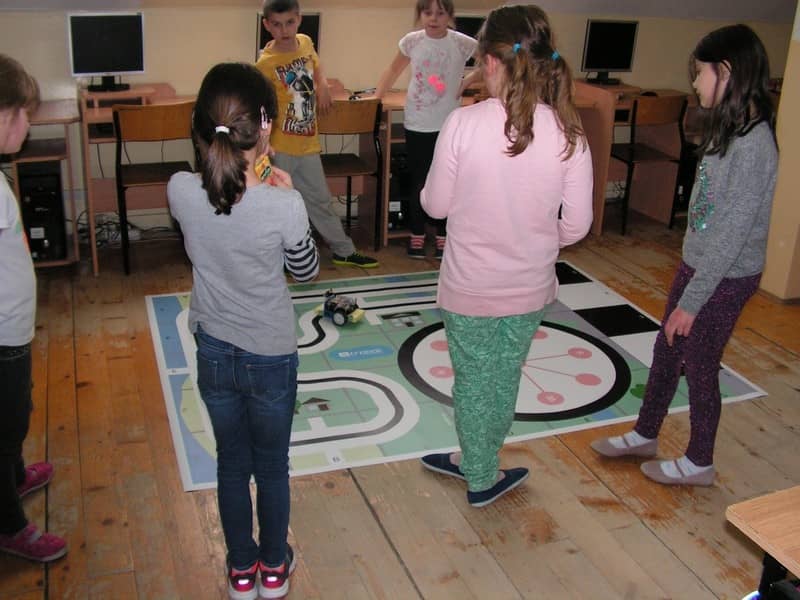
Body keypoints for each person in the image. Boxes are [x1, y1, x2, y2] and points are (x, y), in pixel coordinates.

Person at [418, 5, 593, 507]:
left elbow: (435, 206)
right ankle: (479, 457)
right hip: (528, 288)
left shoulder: (462, 122)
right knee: (502, 376)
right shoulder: (569, 131)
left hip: (469, 287)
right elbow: (577, 225)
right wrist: (537, 237)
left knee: (474, 379)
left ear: (491, 62)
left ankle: (479, 474)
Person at [591, 24, 779, 487]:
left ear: (727, 71)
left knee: (699, 363)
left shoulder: (754, 145)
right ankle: (645, 433)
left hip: (726, 276)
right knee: (667, 350)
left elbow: (732, 235)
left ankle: (699, 462)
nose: (695, 83)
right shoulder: (729, 129)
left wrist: (693, 303)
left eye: (700, 73)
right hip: (701, 266)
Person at [167, 62, 319, 600]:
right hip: (271, 354)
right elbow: (305, 271)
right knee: (272, 466)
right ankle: (273, 570)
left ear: (199, 128)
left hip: (213, 350)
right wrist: (285, 192)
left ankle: (239, 569)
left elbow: (220, 201)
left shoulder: (179, 190)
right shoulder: (284, 203)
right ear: (266, 128)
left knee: (232, 463)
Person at [0, 54, 68, 563]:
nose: (28, 123)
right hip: (2, 334)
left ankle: (15, 475)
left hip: (13, 330)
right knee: (3, 427)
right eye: (22, 113)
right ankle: (9, 525)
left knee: (16, 414)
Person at [256, 0, 379, 269]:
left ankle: (343, 251)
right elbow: (261, 106)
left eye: (290, 22)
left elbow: (316, 65)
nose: (284, 30)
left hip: (308, 143)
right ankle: (275, 259)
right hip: (280, 147)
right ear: (267, 25)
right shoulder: (265, 64)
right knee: (278, 206)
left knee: (320, 201)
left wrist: (322, 85)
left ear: (299, 19)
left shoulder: (305, 42)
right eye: (277, 25)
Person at [374, 0, 479, 259]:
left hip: (448, 125)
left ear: (450, 16)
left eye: (440, 13)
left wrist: (467, 80)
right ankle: (417, 233)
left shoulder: (461, 43)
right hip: (418, 123)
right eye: (427, 13)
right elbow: (393, 69)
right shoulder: (412, 41)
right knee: (419, 181)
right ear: (420, 15)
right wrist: (376, 98)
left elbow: (493, 61)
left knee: (449, 181)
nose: (433, 18)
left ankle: (443, 235)